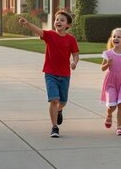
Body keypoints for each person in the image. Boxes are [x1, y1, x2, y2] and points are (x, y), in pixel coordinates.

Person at [19, 10, 79, 138]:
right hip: (50, 73)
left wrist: (74, 62)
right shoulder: (50, 35)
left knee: (62, 101)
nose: (58, 22)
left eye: (62, 20)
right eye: (57, 19)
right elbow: (38, 30)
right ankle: (54, 127)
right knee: (54, 100)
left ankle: (60, 110)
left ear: (68, 25)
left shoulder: (71, 39)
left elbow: (75, 54)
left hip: (64, 75)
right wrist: (27, 23)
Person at [100, 28, 121, 136]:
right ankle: (109, 114)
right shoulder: (108, 54)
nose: (116, 38)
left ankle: (119, 127)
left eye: (119, 37)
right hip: (111, 82)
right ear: (111, 39)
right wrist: (108, 64)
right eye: (114, 36)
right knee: (112, 106)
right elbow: (102, 68)